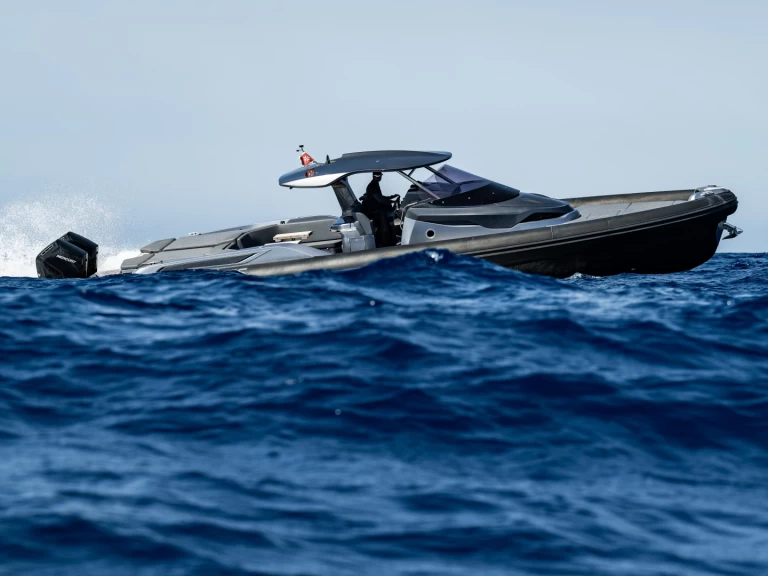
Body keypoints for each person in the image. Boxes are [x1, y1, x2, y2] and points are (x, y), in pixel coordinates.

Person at [361, 172, 397, 247]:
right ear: (375, 176)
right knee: (384, 217)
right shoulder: (372, 186)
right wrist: (391, 201)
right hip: (374, 210)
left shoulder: (375, 184)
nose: (379, 177)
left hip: (375, 208)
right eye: (378, 176)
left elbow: (380, 197)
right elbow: (380, 200)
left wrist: (390, 197)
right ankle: (386, 241)